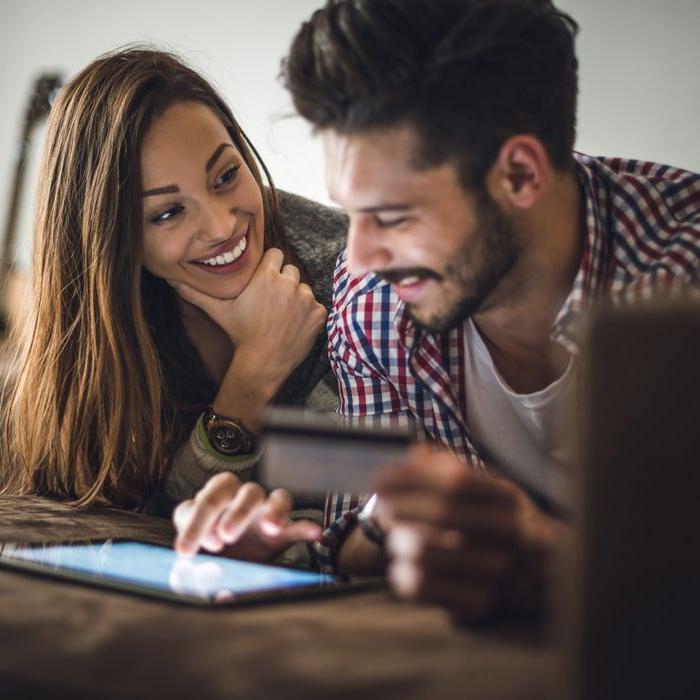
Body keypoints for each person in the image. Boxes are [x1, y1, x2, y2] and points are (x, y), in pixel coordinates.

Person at [276, 0, 700, 619]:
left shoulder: (679, 280)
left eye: (393, 216)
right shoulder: (374, 305)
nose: (359, 258)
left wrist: (553, 560)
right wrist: (373, 526)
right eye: (351, 211)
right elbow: (351, 549)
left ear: (521, 174)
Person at [0, 47, 347, 565]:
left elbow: (360, 511)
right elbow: (132, 526)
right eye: (167, 213)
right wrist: (254, 373)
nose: (222, 226)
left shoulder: (347, 272)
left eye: (226, 175)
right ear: (112, 241)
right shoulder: (95, 335)